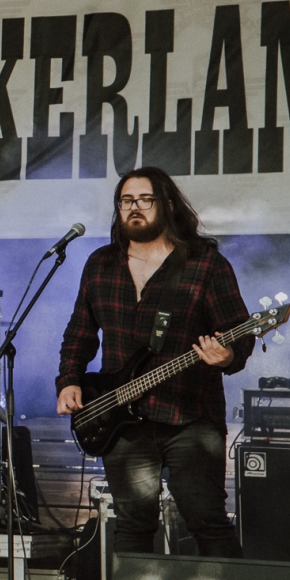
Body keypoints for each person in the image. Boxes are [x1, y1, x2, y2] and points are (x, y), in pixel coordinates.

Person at [55, 166, 250, 556]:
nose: (135, 208)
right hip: (121, 419)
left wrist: (227, 355)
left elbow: (238, 331)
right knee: (132, 523)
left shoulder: (205, 264)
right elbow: (80, 331)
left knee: (206, 518)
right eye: (126, 201)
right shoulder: (100, 264)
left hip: (191, 417)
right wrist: (69, 379)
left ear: (168, 205)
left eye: (146, 200)